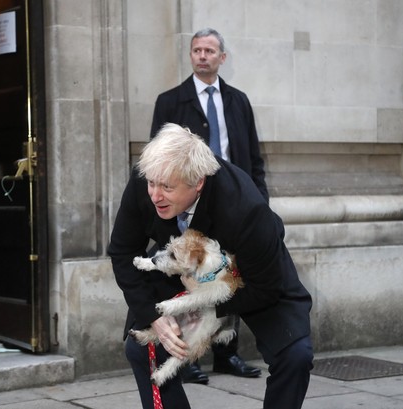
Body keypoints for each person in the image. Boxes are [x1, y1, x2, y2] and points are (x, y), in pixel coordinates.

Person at [108, 123, 313, 409]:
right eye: (152, 183)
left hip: (249, 271)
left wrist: (205, 305)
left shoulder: (247, 211)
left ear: (198, 182)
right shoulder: (149, 178)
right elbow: (122, 250)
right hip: (182, 261)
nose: (155, 195)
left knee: (295, 355)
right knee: (143, 347)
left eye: (167, 187)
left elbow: (267, 287)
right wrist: (153, 316)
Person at [150, 27, 268, 383]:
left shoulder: (238, 101)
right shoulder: (170, 100)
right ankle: (186, 356)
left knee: (229, 279)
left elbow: (253, 157)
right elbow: (157, 159)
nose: (202, 55)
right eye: (197, 50)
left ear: (222, 58)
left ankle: (226, 354)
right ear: (191, 55)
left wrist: (261, 203)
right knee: (190, 280)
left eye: (209, 50)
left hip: (233, 207)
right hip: (192, 205)